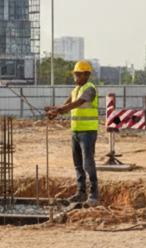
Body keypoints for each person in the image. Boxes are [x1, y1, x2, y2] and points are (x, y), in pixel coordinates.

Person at [45, 60, 99, 205]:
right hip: (75, 131)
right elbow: (67, 105)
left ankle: (94, 195)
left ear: (87, 75)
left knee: (88, 163)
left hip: (88, 132)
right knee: (78, 165)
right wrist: (55, 110)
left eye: (79, 75)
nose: (76, 78)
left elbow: (77, 103)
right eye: (75, 75)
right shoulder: (75, 90)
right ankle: (81, 193)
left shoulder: (90, 89)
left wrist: (59, 110)